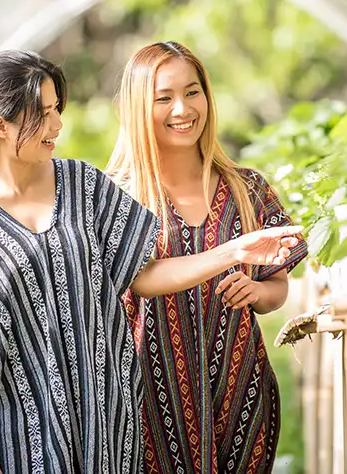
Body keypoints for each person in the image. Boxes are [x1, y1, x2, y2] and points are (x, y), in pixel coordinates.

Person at [0, 50, 301, 474]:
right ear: (1, 125)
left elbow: (143, 274)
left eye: (57, 108)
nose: (58, 123)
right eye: (44, 113)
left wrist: (234, 251)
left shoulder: (83, 183)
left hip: (112, 425)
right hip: (20, 430)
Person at [106, 41, 309, 474]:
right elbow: (136, 279)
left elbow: (278, 288)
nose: (182, 108)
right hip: (147, 403)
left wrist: (257, 290)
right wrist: (228, 254)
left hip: (239, 393)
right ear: (140, 106)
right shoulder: (117, 196)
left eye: (192, 91)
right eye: (164, 97)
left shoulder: (245, 188)